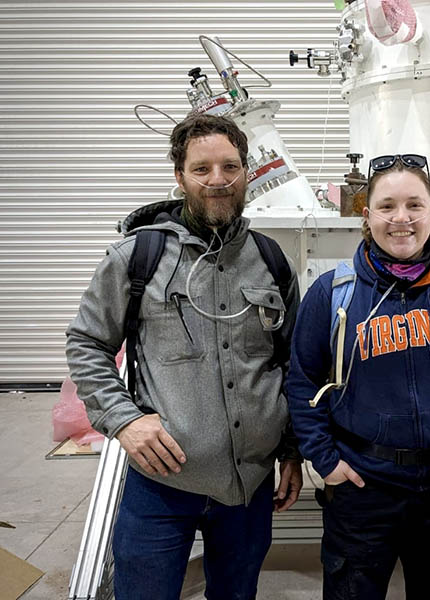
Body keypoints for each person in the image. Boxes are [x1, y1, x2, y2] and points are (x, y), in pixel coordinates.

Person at [65, 114, 303, 600]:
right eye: (202, 169)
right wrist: (124, 420)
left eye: (230, 167)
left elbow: (291, 364)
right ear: (180, 176)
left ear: (246, 173)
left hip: (249, 486)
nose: (218, 180)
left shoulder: (272, 261)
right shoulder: (137, 257)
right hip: (161, 485)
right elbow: (87, 343)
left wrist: (292, 450)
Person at [287, 153, 430, 600]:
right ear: (366, 216)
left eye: (414, 205)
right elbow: (301, 384)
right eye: (387, 206)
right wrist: (327, 463)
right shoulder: (332, 294)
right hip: (363, 484)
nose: (401, 219)